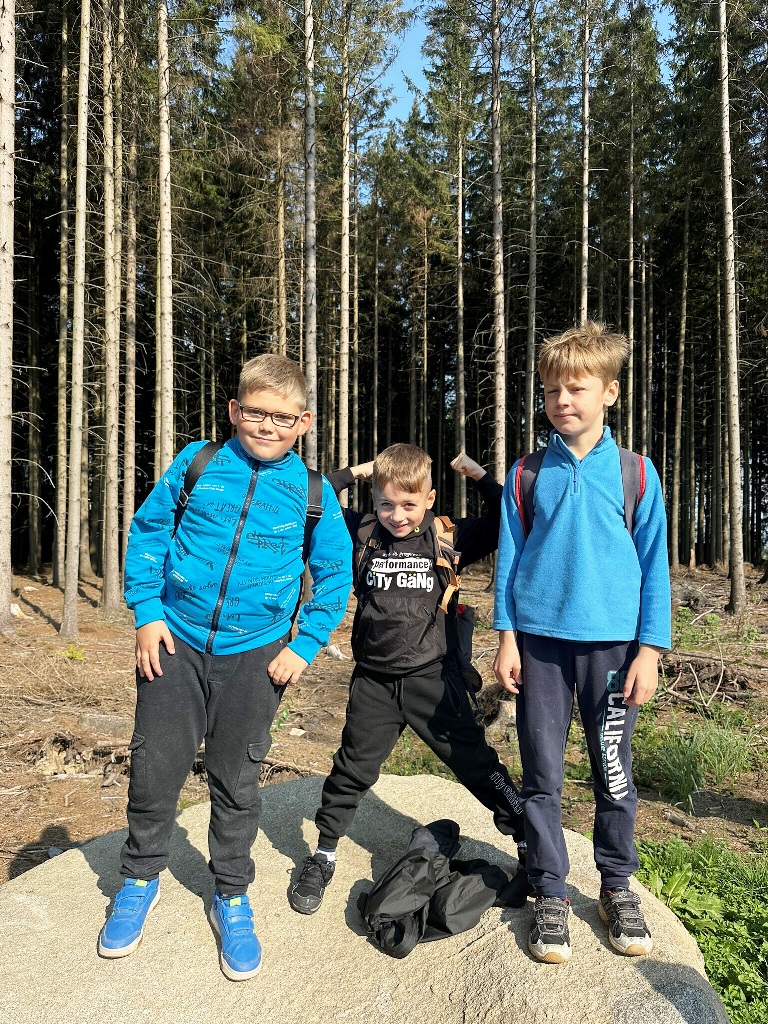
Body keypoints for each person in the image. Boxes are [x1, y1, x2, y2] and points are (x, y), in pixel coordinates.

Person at [98, 354, 352, 981]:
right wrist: (147, 614)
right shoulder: (198, 463)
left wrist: (303, 646)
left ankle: (231, 892)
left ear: (303, 422)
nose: (267, 426)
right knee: (155, 769)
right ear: (235, 411)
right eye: (256, 413)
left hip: (257, 657)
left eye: (283, 418)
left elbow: (334, 576)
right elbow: (149, 532)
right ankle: (139, 879)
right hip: (174, 645)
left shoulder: (314, 494)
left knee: (237, 781)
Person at [493, 321, 671, 964]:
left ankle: (616, 885)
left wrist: (650, 649)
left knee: (612, 772)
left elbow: (655, 566)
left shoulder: (636, 473)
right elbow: (509, 561)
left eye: (576, 388)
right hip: (540, 647)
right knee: (541, 773)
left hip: (613, 652)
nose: (562, 400)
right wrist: (506, 637)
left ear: (610, 392)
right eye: (550, 391)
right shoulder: (526, 473)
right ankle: (550, 891)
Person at [288, 443, 527, 916]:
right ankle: (324, 854)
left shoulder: (447, 536)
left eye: (409, 504)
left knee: (477, 764)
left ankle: (529, 842)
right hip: (374, 682)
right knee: (352, 769)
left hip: (432, 680)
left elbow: (510, 515)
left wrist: (479, 475)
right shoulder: (360, 530)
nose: (397, 516)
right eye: (386, 504)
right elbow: (309, 497)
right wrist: (356, 472)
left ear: (430, 499)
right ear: (374, 499)